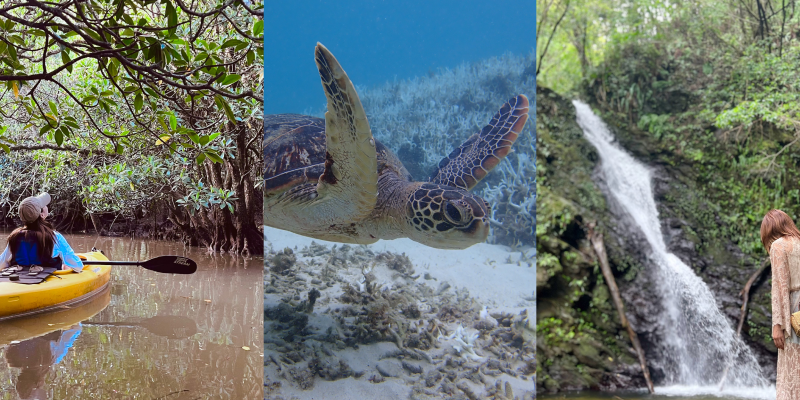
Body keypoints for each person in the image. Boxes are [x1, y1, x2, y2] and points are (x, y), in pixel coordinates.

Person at [762, 209, 800, 400]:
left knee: (791, 370)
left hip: (793, 312)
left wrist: (778, 325)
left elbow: (780, 287)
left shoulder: (778, 245)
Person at [0, 193, 83, 274]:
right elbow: (78, 266)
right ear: (42, 215)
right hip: (48, 282)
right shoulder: (54, 237)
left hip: (20, 280)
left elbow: (2, 264)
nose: (46, 206)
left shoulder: (15, 237)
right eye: (44, 205)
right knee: (66, 265)